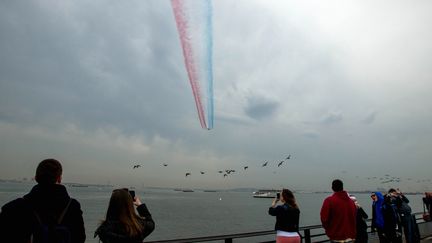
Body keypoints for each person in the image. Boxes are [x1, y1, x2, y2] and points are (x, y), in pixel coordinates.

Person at [0, 158, 86, 243]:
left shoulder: (13, 208)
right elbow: (80, 238)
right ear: (59, 179)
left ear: (36, 177)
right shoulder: (73, 207)